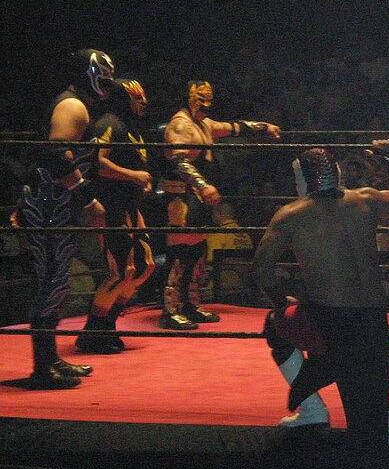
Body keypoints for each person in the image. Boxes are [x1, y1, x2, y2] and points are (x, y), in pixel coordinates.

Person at [254, 147, 389, 468]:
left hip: (331, 328)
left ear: (301, 179)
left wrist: (279, 301)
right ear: (338, 174)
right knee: (367, 417)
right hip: (375, 326)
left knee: (276, 323)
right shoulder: (366, 199)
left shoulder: (291, 214)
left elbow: (260, 270)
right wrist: (385, 162)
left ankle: (316, 408)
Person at [19, 49, 114, 388]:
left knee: (56, 282)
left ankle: (51, 360)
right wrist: (87, 198)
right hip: (48, 205)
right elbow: (56, 152)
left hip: (54, 206)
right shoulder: (73, 106)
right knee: (51, 283)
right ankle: (43, 369)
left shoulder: (77, 104)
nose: (107, 82)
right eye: (102, 76)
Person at [161, 80, 280, 330]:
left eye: (209, 99)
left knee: (198, 249)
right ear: (188, 99)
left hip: (197, 196)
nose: (206, 104)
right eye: (200, 99)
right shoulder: (181, 125)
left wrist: (263, 127)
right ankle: (170, 310)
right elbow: (178, 162)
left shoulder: (204, 124)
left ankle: (192, 304)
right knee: (179, 251)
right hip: (180, 196)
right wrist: (203, 185)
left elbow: (234, 127)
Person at [75, 79, 155, 353]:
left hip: (130, 206)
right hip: (111, 205)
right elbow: (95, 162)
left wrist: (141, 181)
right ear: (124, 99)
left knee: (143, 267)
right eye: (137, 98)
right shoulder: (109, 123)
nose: (143, 103)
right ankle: (93, 333)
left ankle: (106, 325)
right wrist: (134, 176)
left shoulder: (130, 127)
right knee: (120, 271)